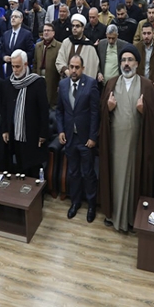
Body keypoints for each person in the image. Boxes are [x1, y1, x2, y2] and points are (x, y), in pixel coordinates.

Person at [98, 45, 154, 232]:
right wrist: (108, 109)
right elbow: (101, 111)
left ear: (137, 63)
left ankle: (131, 218)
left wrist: (145, 111)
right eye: (123, 60)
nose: (126, 64)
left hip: (137, 145)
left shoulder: (146, 85)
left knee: (133, 181)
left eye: (130, 60)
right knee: (115, 179)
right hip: (115, 144)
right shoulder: (111, 83)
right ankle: (113, 215)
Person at [56, 55, 100, 223]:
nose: (73, 70)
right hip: (70, 138)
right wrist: (61, 130)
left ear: (82, 68)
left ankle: (91, 205)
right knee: (73, 172)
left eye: (77, 67)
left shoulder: (91, 83)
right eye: (71, 67)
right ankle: (75, 202)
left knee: (88, 173)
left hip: (85, 139)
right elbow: (60, 111)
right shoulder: (63, 84)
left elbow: (95, 113)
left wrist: (93, 136)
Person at [2, 49, 49, 177]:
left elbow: (44, 110)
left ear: (26, 65)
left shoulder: (37, 82)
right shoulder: (8, 83)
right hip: (14, 134)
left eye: (18, 66)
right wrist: (5, 130)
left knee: (33, 169)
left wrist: (43, 134)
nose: (15, 70)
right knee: (19, 168)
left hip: (32, 134)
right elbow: (5, 108)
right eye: (13, 66)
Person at [55, 13, 99, 79]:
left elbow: (92, 68)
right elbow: (59, 60)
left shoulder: (89, 46)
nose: (74, 28)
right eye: (73, 26)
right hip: (67, 80)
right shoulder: (66, 42)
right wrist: (67, 71)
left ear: (83, 28)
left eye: (77, 26)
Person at [33, 23, 61, 107]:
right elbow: (35, 63)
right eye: (44, 30)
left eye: (48, 30)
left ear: (53, 33)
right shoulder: (38, 46)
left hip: (52, 78)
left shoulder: (59, 46)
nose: (45, 32)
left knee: (50, 100)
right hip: (39, 76)